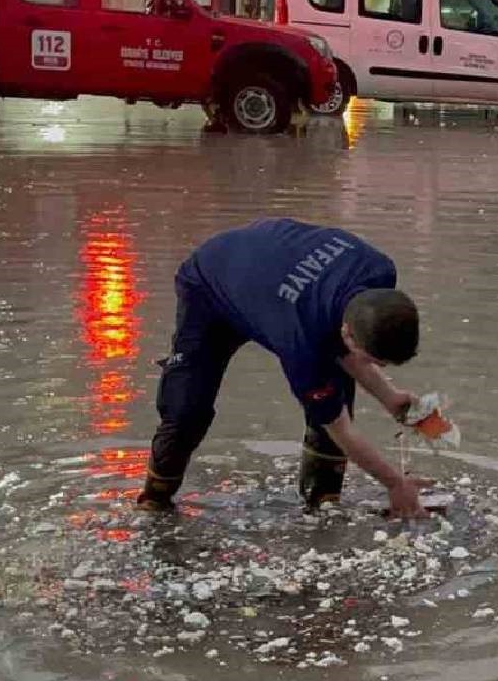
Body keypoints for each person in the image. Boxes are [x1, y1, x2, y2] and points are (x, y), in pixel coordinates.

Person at [137, 218, 429, 518]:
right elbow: (341, 429)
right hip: (211, 285)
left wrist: (390, 397)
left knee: (334, 388)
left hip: (270, 278)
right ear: (347, 332)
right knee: (187, 410)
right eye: (372, 360)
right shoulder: (302, 344)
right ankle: (155, 503)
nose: (371, 366)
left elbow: (344, 349)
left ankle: (322, 506)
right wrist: (394, 484)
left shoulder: (379, 270)